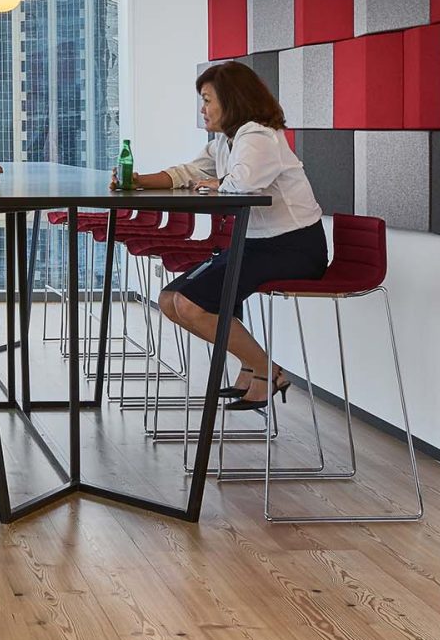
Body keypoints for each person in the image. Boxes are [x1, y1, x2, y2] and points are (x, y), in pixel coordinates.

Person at [114, 60, 327, 411]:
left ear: (233, 100)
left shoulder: (257, 135)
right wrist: (140, 180)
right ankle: (256, 367)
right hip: (257, 245)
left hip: (293, 246)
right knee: (171, 300)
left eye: (208, 99)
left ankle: (264, 369)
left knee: (190, 304)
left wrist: (213, 184)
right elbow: (190, 172)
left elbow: (242, 184)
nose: (203, 109)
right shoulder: (227, 142)